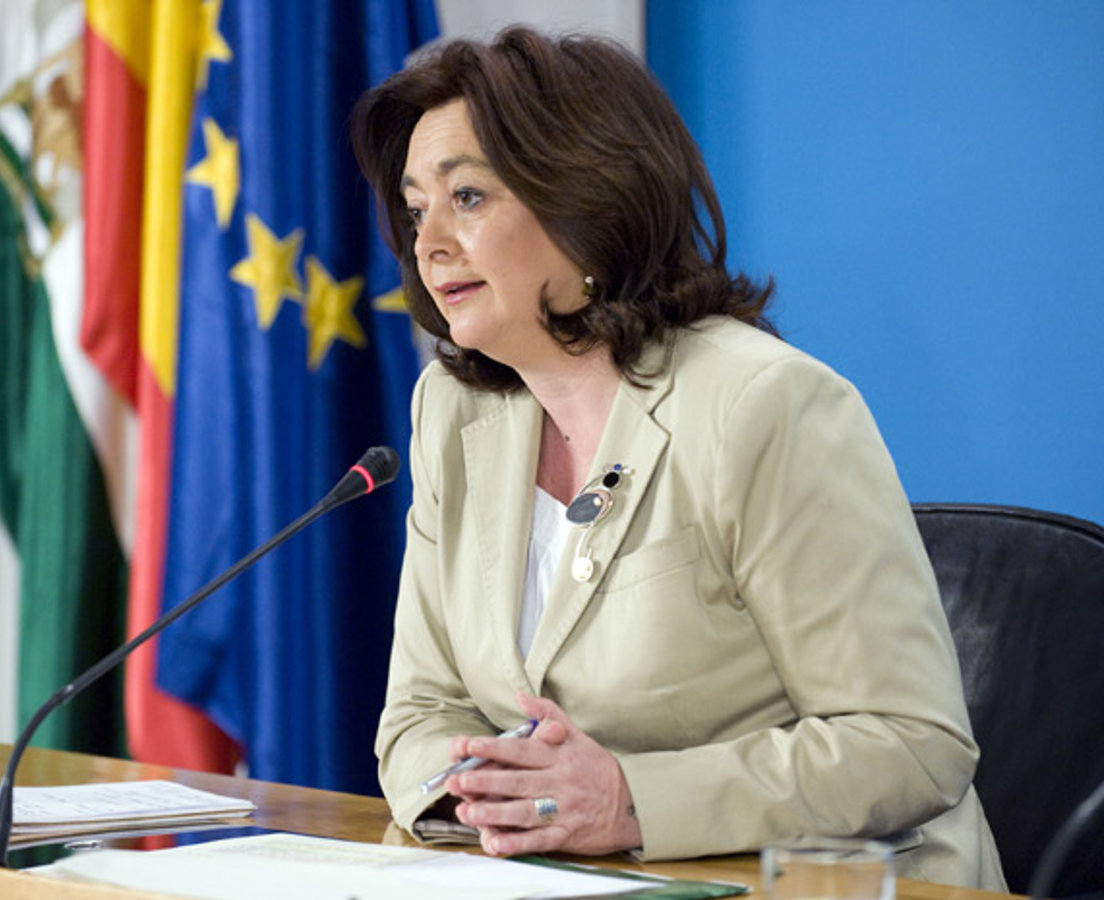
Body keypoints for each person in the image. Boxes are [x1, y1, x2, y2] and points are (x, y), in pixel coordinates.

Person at [350, 26, 1006, 890]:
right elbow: (420, 712)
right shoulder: (453, 408)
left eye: (466, 197)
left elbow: (911, 745)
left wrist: (630, 800)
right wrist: (491, 801)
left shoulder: (760, 405)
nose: (428, 243)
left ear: (584, 198)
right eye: (415, 210)